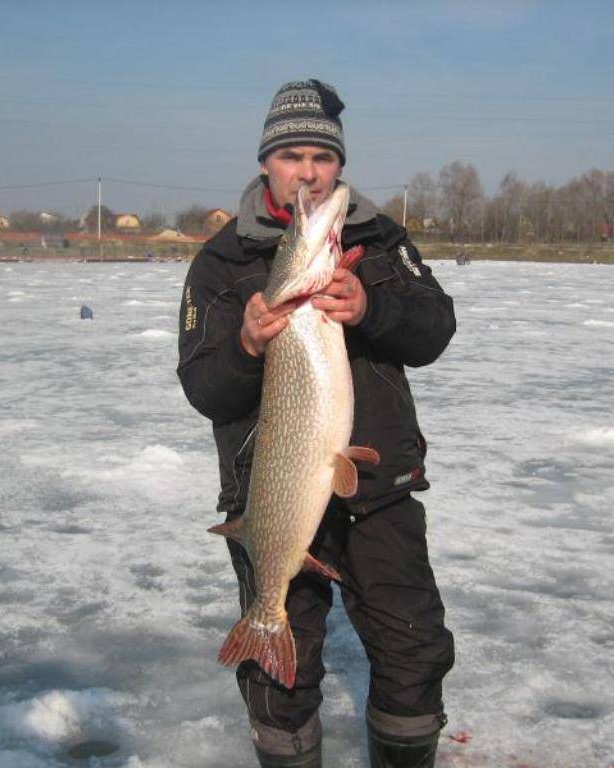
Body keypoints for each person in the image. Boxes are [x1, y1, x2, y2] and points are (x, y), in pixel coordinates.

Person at [177, 79, 456, 768]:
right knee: (281, 680)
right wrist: (245, 346)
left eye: (322, 159)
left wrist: (371, 309)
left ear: (339, 164)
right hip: (271, 492)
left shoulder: (378, 238)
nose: (307, 172)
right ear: (266, 161)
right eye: (292, 156)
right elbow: (203, 388)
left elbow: (434, 330)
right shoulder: (222, 262)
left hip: (377, 481)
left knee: (412, 648)